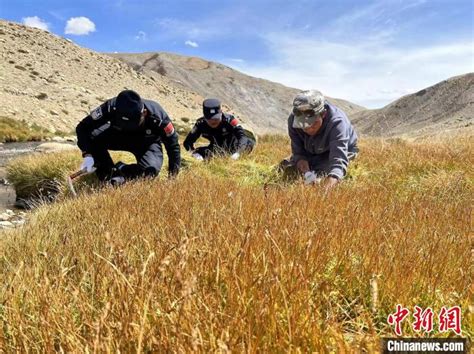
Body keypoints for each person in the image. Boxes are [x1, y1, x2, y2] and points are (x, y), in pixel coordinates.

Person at [76, 90, 180, 185]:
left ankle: (122, 168)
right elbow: (82, 128)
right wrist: (88, 154)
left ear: (144, 113)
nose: (128, 126)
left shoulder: (158, 117)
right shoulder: (110, 107)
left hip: (146, 143)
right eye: (123, 122)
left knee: (148, 175)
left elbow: (173, 145)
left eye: (132, 123)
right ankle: (109, 174)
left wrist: (172, 178)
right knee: (92, 137)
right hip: (118, 136)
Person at [280, 90, 358, 190]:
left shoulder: (337, 123)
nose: (307, 128)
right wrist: (307, 173)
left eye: (313, 123)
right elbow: (298, 152)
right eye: (302, 124)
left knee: (324, 172)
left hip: (338, 150)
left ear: (323, 114)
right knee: (286, 166)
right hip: (312, 150)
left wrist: (326, 190)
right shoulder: (293, 120)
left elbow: (338, 162)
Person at [183, 98, 255, 160]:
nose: (213, 122)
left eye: (216, 118)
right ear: (205, 117)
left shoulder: (229, 120)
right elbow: (187, 142)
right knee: (201, 152)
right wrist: (194, 153)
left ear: (221, 113)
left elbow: (242, 137)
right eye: (210, 119)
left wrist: (238, 153)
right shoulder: (200, 124)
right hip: (217, 148)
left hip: (235, 146)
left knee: (248, 144)